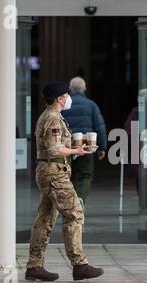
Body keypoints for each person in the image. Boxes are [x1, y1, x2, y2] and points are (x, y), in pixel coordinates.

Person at [26, 81, 104, 281]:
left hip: (49, 171)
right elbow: (54, 150)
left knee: (45, 218)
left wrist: (78, 148)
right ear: (60, 99)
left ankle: (34, 265)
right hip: (55, 173)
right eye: (67, 95)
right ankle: (79, 264)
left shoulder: (50, 116)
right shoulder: (53, 118)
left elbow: (56, 146)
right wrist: (76, 150)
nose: (69, 98)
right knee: (75, 213)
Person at [61, 77, 107, 205]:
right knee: (85, 174)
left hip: (67, 146)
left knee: (67, 173)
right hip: (86, 145)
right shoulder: (91, 105)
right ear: (84, 88)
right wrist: (102, 148)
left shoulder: (63, 105)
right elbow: (100, 127)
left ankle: (70, 200)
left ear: (69, 89)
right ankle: (80, 197)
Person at [124, 88, 147, 216]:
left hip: (137, 148)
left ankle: (143, 206)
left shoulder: (135, 111)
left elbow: (128, 131)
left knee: (141, 177)